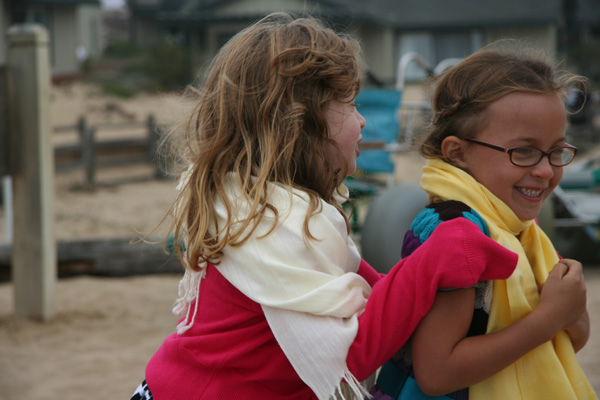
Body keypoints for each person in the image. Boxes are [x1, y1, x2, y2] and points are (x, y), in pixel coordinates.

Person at [129, 14, 522, 400]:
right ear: (300, 123)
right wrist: (438, 256)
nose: (363, 122)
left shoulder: (249, 204)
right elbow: (350, 355)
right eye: (350, 105)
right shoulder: (271, 225)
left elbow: (371, 289)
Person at [370, 47, 597, 399]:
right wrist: (551, 317)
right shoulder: (459, 237)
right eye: (523, 151)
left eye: (556, 151)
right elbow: (437, 372)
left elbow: (567, 342)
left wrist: (571, 312)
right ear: (457, 152)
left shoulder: (519, 230)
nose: (546, 170)